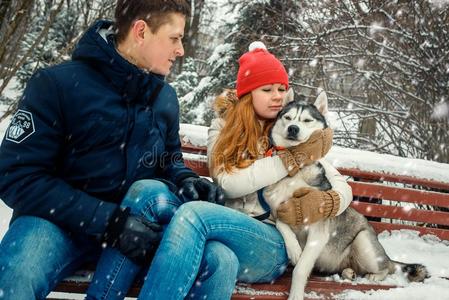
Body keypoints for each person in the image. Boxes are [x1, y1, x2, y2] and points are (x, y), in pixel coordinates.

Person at [0, 1, 225, 299]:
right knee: (14, 277)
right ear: (141, 31)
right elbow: (17, 176)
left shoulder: (164, 98)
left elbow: (168, 159)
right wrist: (108, 222)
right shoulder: (58, 84)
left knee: (215, 263)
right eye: (174, 38)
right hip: (57, 224)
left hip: (137, 231)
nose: (181, 50)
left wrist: (185, 179)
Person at [113, 42, 353, 299]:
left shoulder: (289, 128)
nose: (278, 96)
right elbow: (228, 182)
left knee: (193, 215)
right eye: (268, 89)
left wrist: (327, 202)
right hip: (229, 232)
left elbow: (342, 185)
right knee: (220, 259)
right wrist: (290, 160)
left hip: (273, 241)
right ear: (248, 93)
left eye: (282, 89)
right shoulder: (223, 126)